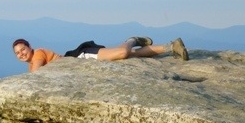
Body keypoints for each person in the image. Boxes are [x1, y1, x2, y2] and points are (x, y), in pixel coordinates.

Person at [12, 36, 189, 72]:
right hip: (81, 61)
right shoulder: (32, 62)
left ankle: (132, 39)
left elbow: (35, 76)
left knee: (122, 52)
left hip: (81, 56)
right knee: (131, 56)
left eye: (22, 49)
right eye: (18, 53)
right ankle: (170, 47)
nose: (21, 53)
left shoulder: (37, 55)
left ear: (30, 47)